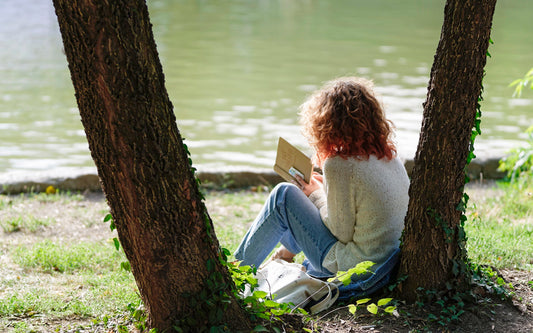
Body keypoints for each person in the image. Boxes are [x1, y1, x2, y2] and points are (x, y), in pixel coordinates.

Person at [234, 77, 410, 278]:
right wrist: (321, 190)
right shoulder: (388, 157)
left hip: (355, 270)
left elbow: (340, 232)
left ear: (327, 124)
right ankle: (284, 255)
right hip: (386, 264)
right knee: (304, 196)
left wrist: (315, 195)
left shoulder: (340, 165)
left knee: (284, 195)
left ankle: (236, 274)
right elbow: (359, 209)